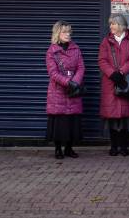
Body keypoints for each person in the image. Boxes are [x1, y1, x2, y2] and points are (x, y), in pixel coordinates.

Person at [98, 13, 129, 156]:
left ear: (121, 25)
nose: (111, 27)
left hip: (125, 82)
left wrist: (121, 72)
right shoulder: (106, 41)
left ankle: (124, 146)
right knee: (112, 117)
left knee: (124, 117)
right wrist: (113, 74)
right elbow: (102, 60)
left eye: (113, 24)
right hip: (110, 83)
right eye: (110, 24)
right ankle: (113, 146)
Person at [45, 20, 85, 159]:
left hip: (73, 90)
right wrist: (68, 82)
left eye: (69, 32)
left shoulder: (76, 49)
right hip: (58, 91)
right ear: (58, 33)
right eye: (64, 32)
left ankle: (69, 148)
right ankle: (58, 149)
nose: (68, 34)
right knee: (59, 121)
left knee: (71, 121)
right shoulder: (52, 51)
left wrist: (75, 82)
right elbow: (53, 72)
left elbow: (81, 67)